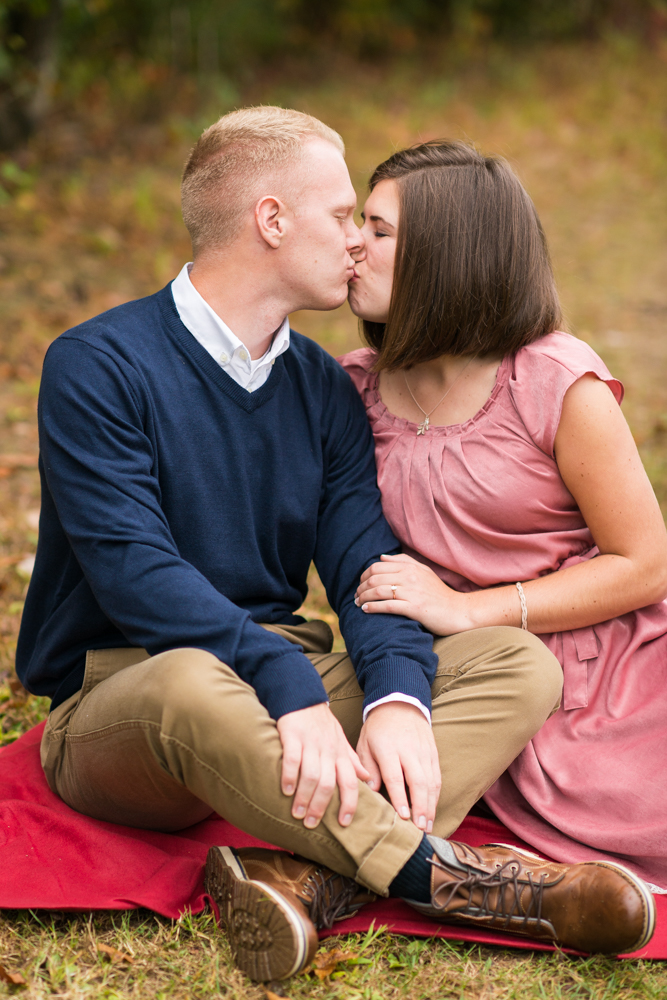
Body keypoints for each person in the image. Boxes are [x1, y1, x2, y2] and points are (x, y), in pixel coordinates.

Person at [17, 110, 654, 984]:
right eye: (344, 215)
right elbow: (135, 573)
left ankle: (310, 882)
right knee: (189, 679)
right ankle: (451, 877)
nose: (356, 241)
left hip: (280, 675)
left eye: (369, 222)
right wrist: (282, 684)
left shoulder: (321, 387)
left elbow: (365, 563)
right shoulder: (99, 365)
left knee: (512, 663)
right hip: (131, 695)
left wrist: (396, 695)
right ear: (272, 221)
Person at [343, 138, 667, 899]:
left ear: (447, 254)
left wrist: (465, 609)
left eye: (379, 229)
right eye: (359, 221)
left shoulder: (549, 379)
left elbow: (645, 562)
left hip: (608, 673)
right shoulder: (349, 392)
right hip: (465, 677)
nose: (354, 242)